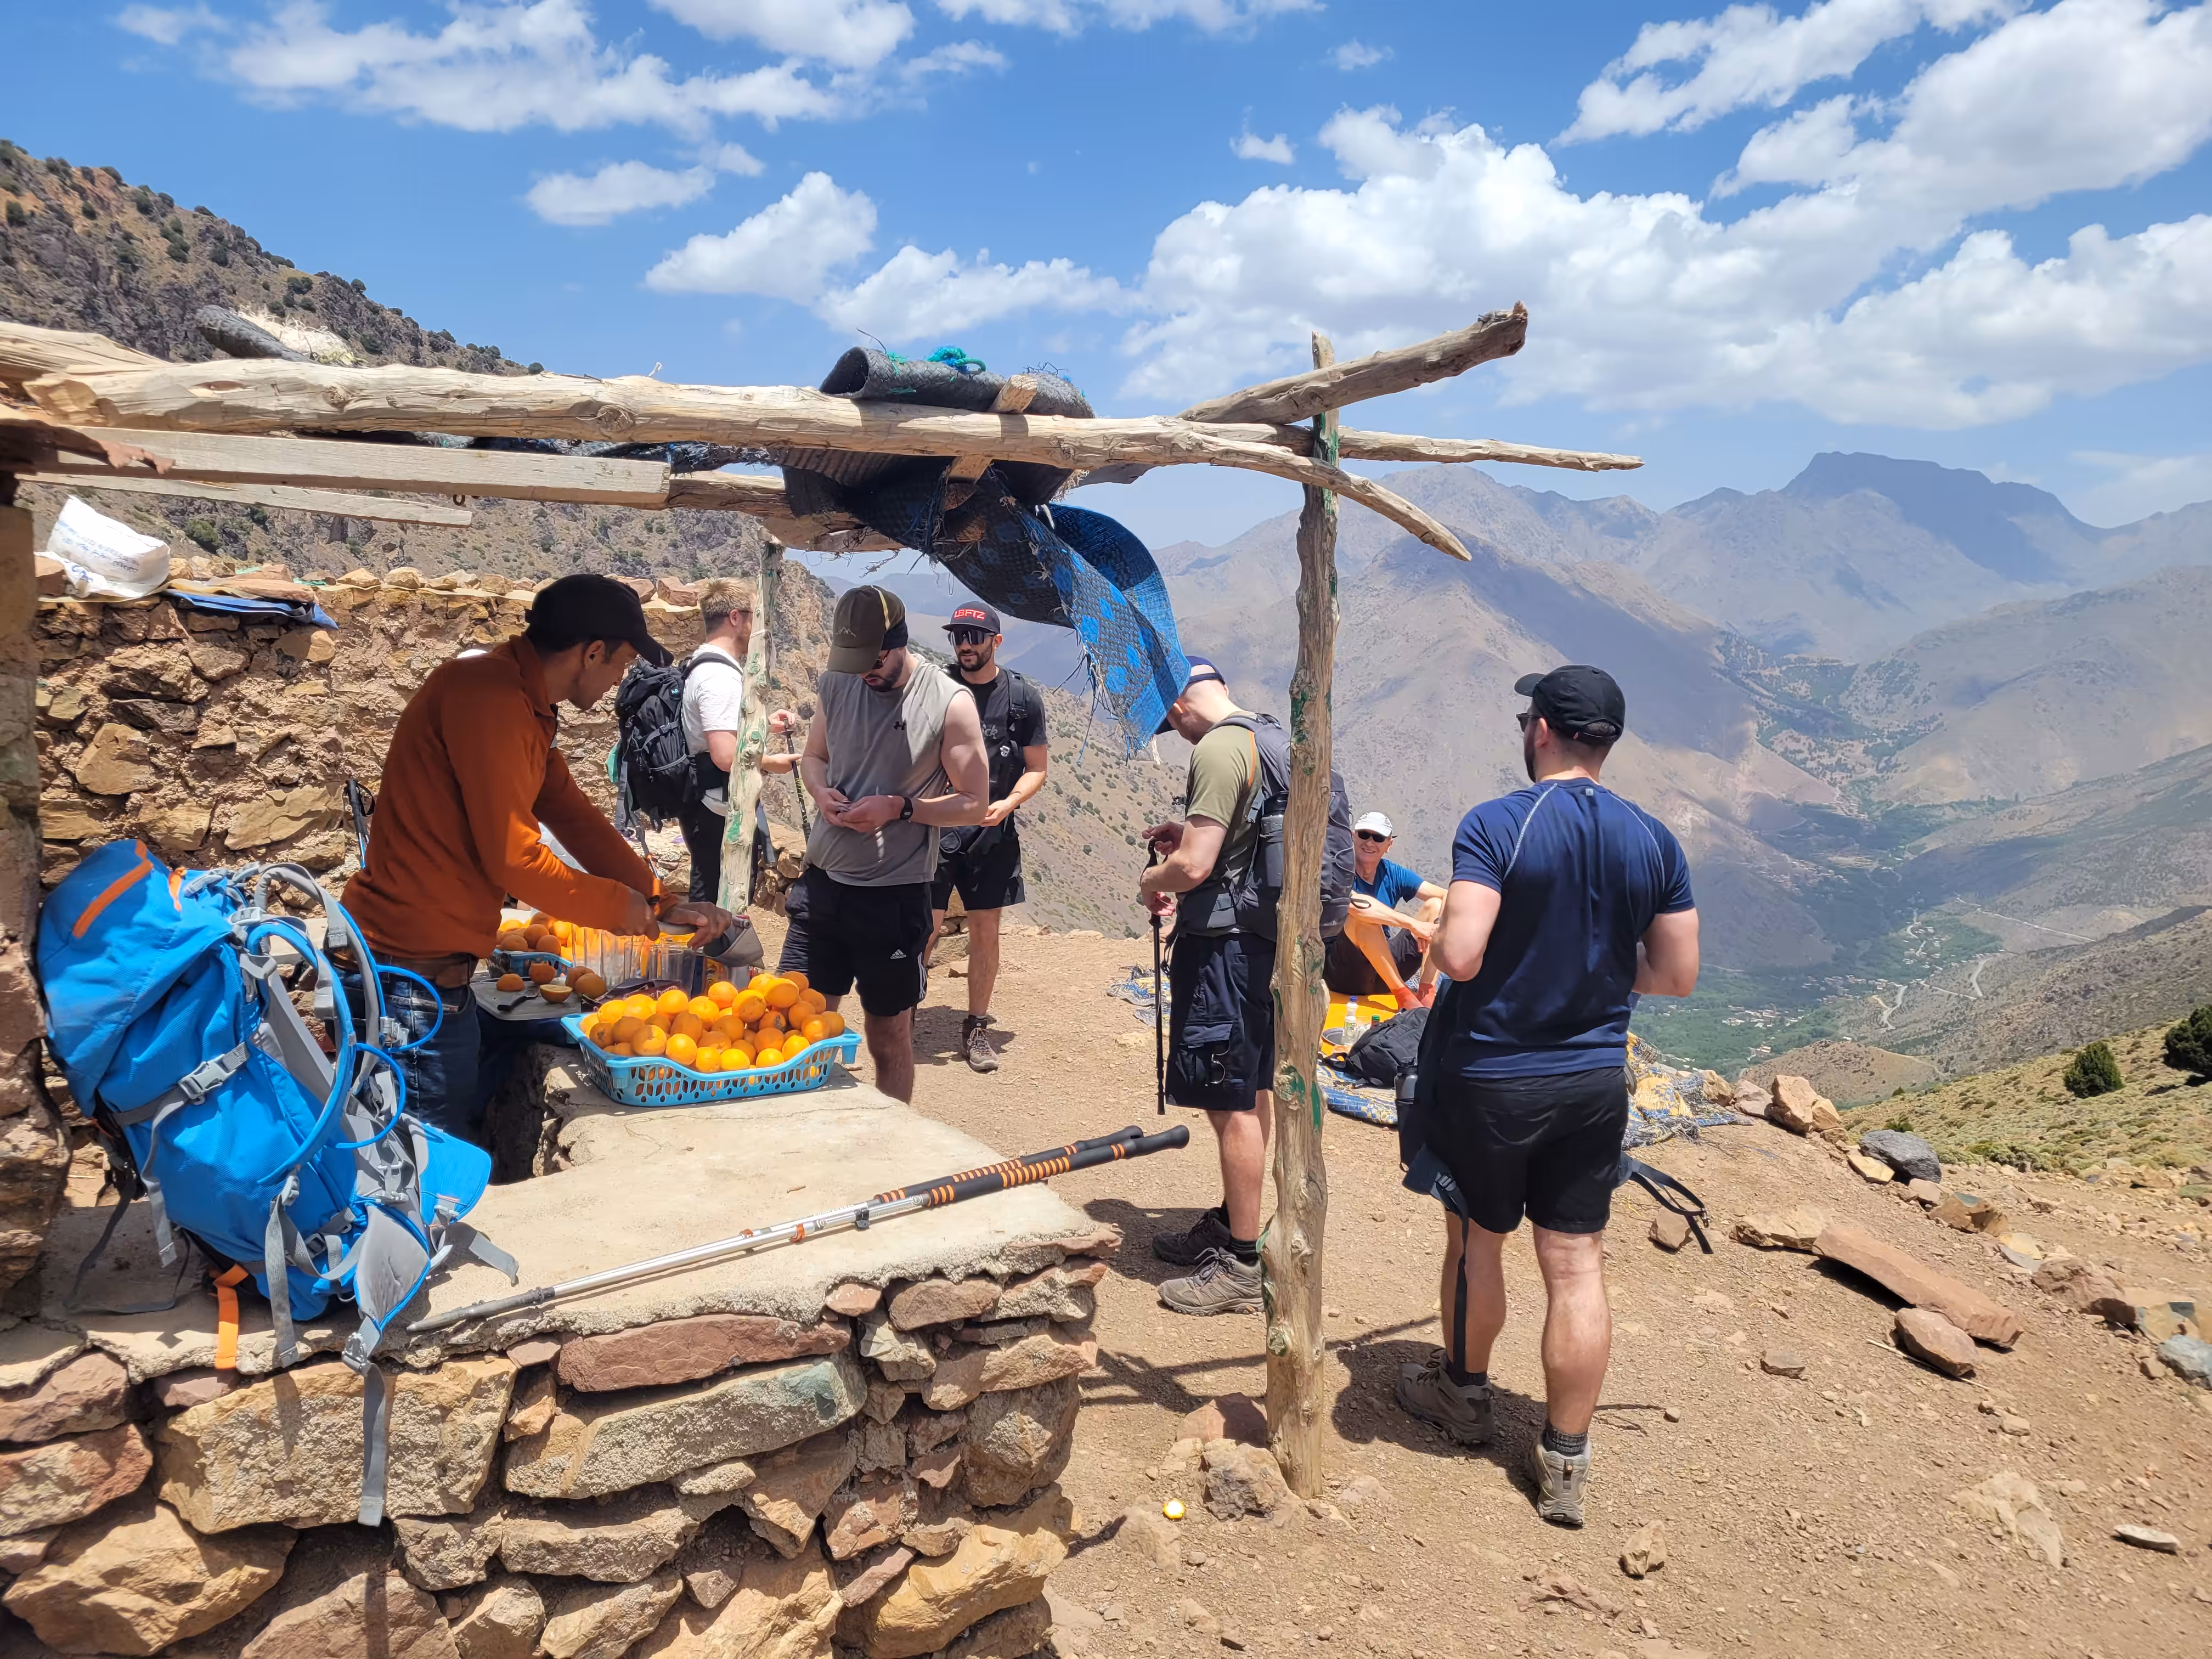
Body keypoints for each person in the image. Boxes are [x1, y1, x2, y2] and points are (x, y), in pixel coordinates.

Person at [1395, 664, 1699, 1528]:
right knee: (1575, 1266)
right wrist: (1603, 973)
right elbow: (1676, 975)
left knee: (1476, 1243)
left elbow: (1458, 958)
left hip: (1494, 1075)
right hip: (1596, 1080)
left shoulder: (1498, 824)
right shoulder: (1654, 840)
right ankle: (1565, 1460)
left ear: (1541, 731)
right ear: (1607, 741)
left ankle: (1463, 1396)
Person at [344, 574, 737, 1145]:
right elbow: (518, 861)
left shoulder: (526, 704)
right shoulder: (489, 696)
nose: (618, 681)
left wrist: (660, 898)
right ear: (592, 651)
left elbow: (572, 815)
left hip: (430, 971)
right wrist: (618, 907)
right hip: (408, 977)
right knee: (417, 1172)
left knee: (473, 1099)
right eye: (620, 665)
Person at [784, 586, 988, 1103]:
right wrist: (819, 791)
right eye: (852, 662)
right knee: (796, 1024)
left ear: (898, 644)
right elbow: (814, 757)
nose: (863, 674)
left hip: (894, 896)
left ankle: (894, 1158)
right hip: (823, 885)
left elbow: (973, 802)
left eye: (872, 661)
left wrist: (901, 807)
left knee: (889, 1037)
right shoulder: (839, 682)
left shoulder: (949, 702)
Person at [1138, 657, 1275, 1318]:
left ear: (1178, 706)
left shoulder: (1219, 749)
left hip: (1225, 949)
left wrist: (1153, 881)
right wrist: (1187, 839)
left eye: (1173, 724)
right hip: (1269, 946)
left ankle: (1243, 1265)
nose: (1179, 734)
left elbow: (1194, 866)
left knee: (1231, 1105)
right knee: (1255, 1088)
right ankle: (1234, 1222)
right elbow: (1235, 845)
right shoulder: (1268, 737)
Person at [923, 602, 1048, 1074]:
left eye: (975, 638)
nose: (965, 646)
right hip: (936, 828)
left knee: (985, 934)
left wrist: (1008, 804)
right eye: (958, 637)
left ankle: (976, 1026)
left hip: (992, 836)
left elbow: (1037, 769)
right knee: (924, 928)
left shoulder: (1021, 698)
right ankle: (904, 1009)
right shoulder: (936, 688)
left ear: (997, 642)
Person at [675, 578, 797, 904]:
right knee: (715, 899)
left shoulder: (703, 663)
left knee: (715, 895)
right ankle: (707, 955)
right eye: (755, 616)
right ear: (735, 618)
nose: (758, 627)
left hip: (708, 802)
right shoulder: (719, 677)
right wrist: (774, 763)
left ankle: (713, 952)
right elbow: (727, 756)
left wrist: (764, 726)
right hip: (717, 807)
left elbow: (722, 730)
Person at [1324, 811, 1445, 1009]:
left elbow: (1446, 895)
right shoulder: (1338, 870)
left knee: (1436, 906)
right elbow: (1357, 906)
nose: (1370, 843)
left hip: (1383, 970)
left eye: (1378, 838)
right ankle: (1405, 997)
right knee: (1362, 918)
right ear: (1352, 837)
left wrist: (1435, 927)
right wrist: (1413, 925)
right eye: (1364, 835)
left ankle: (1426, 993)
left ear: (1389, 845)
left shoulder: (1392, 872)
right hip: (1344, 971)